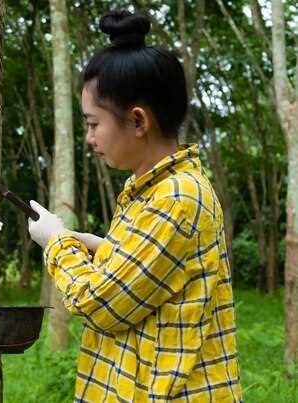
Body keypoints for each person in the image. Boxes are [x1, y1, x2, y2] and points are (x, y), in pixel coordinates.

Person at [27, 9, 242, 403]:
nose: (89, 137)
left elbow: (101, 303)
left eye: (93, 124)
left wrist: (56, 242)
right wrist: (100, 245)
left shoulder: (177, 198)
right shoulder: (150, 190)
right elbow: (158, 279)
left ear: (138, 121)